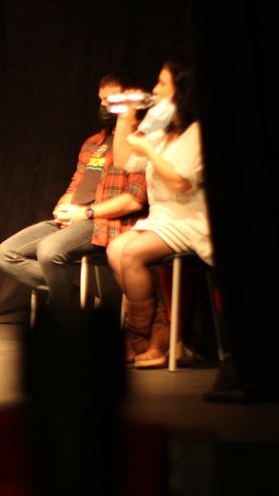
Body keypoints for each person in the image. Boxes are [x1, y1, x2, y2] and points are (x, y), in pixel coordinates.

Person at [0, 72, 148, 314]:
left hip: (104, 223)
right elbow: (75, 185)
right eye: (101, 100)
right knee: (6, 253)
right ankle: (80, 300)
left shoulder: (142, 141)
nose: (103, 106)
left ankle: (66, 319)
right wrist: (63, 207)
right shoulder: (93, 142)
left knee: (49, 250)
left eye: (110, 99)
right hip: (74, 219)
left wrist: (86, 213)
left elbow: (134, 200)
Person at [107, 59, 212, 368]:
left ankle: (147, 337)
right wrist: (125, 118)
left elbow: (181, 183)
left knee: (131, 253)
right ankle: (152, 332)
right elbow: (125, 161)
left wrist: (150, 152)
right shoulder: (162, 128)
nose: (154, 89)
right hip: (161, 218)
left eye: (162, 83)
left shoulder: (197, 132)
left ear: (182, 90)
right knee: (115, 250)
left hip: (189, 218)